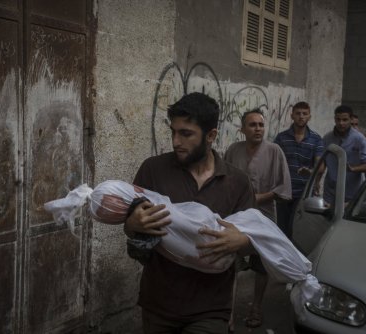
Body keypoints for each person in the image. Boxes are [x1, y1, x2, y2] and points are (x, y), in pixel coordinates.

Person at [124, 92, 257, 334]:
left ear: (211, 136)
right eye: (173, 132)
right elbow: (132, 231)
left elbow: (257, 238)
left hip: (211, 308)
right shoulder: (153, 170)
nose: (176, 141)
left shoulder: (237, 182)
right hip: (159, 305)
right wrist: (133, 223)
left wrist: (242, 240)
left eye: (186, 134)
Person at [224, 109, 291, 329]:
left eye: (261, 125)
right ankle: (229, 314)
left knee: (261, 265)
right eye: (252, 125)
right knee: (230, 263)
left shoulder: (274, 151)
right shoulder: (233, 150)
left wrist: (255, 198)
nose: (258, 129)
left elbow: (282, 188)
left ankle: (256, 307)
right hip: (237, 216)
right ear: (242, 129)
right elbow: (224, 182)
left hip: (264, 216)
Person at [274, 101, 324, 239]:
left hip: (304, 193)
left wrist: (310, 172)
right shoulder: (281, 138)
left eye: (304, 114)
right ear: (292, 116)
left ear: (309, 117)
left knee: (297, 231)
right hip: (283, 193)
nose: (301, 117)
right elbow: (274, 161)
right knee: (281, 230)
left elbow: (320, 166)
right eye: (298, 113)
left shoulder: (316, 139)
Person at [321, 105, 366, 206]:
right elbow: (323, 162)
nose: (341, 123)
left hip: (351, 195)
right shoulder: (327, 138)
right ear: (334, 119)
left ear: (350, 119)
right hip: (330, 194)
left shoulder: (359, 139)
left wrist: (352, 169)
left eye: (345, 120)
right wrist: (316, 181)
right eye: (338, 119)